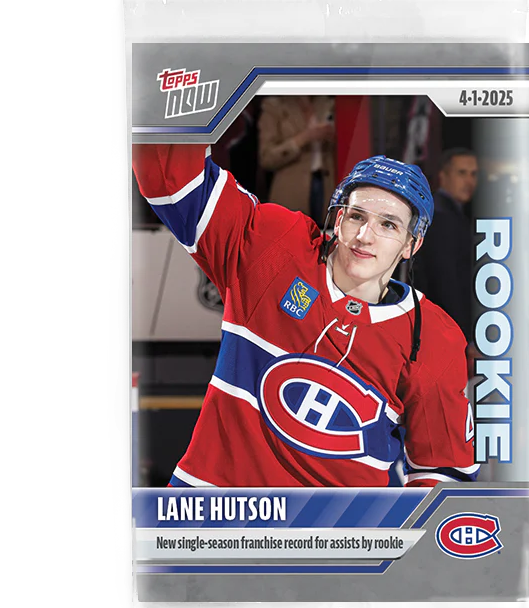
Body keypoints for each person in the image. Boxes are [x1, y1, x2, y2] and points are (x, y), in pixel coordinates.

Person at [131, 142, 479, 487]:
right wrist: (187, 112)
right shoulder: (275, 249)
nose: (364, 236)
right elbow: (171, 179)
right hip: (213, 508)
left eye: (388, 225)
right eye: (357, 216)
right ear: (339, 220)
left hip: (336, 523)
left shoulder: (432, 337)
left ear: (411, 244)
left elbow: (443, 475)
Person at [411, 148, 479, 348]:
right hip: (445, 330)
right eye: (462, 173)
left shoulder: (451, 213)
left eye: (473, 174)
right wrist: (464, 337)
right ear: (443, 176)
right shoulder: (441, 216)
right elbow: (446, 281)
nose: (469, 181)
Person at [257, 96, 335, 224]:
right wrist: (304, 138)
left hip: (328, 185)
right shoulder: (274, 106)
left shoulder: (329, 103)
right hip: (291, 188)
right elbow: (267, 158)